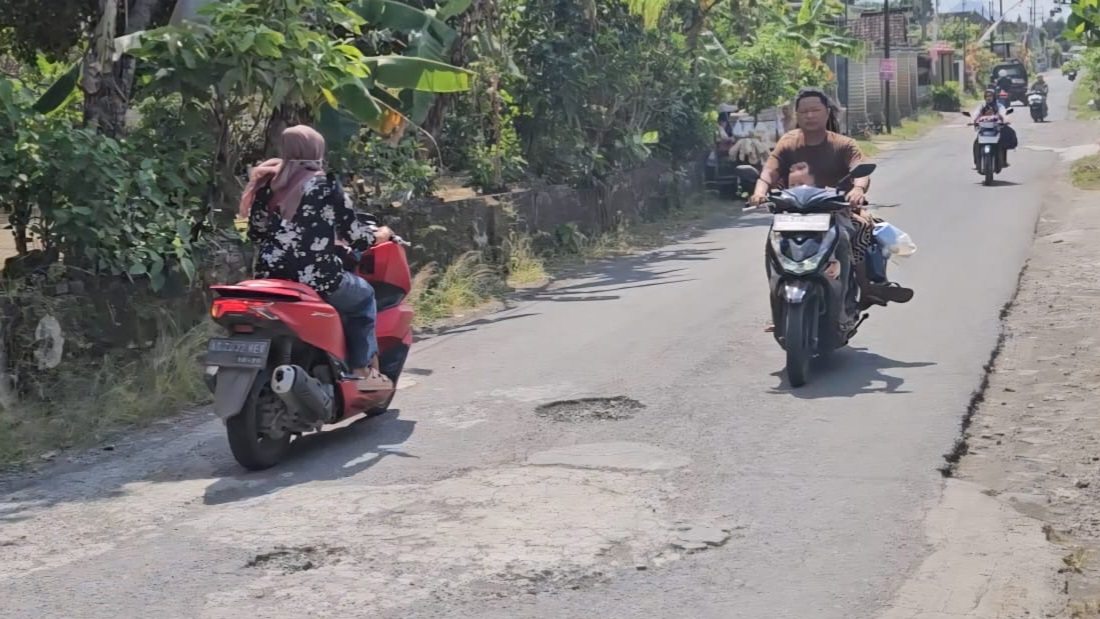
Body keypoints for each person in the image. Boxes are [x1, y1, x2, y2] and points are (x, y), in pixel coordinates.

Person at [240, 125, 395, 392]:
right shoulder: (326, 185)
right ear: (317, 151)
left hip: (271, 278)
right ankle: (361, 370)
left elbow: (256, 232)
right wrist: (382, 235)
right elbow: (356, 236)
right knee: (363, 297)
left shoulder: (268, 184)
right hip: (317, 278)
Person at [749, 87, 914, 311]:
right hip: (793, 213)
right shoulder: (787, 143)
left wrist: (857, 190)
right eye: (804, 111)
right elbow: (769, 171)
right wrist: (759, 191)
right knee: (774, 243)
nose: (809, 115)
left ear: (827, 112)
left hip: (835, 211)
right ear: (797, 115)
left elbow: (860, 171)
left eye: (815, 110)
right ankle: (779, 305)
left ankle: (865, 287)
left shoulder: (844, 144)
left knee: (860, 228)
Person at [971, 88, 1015, 169]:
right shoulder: (982, 106)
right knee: (976, 144)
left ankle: (1003, 161)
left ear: (994, 96)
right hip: (984, 129)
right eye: (987, 96)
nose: (988, 98)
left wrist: (1006, 120)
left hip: (996, 129)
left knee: (1002, 142)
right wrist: (973, 120)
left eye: (990, 96)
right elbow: (976, 114)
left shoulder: (999, 106)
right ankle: (977, 163)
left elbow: (1003, 113)